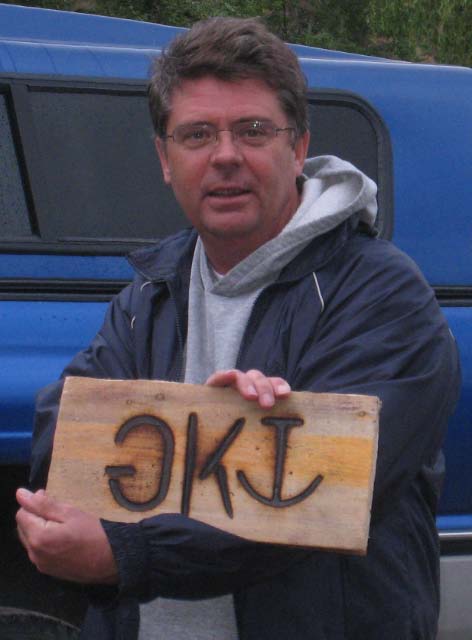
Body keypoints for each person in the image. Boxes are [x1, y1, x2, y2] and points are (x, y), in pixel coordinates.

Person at [16, 16, 460, 640]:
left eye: (253, 130)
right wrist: (206, 429)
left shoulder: (383, 295)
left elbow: (330, 487)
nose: (225, 155)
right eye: (197, 134)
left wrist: (128, 552)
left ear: (298, 147)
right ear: (165, 159)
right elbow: (62, 437)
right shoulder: (149, 293)